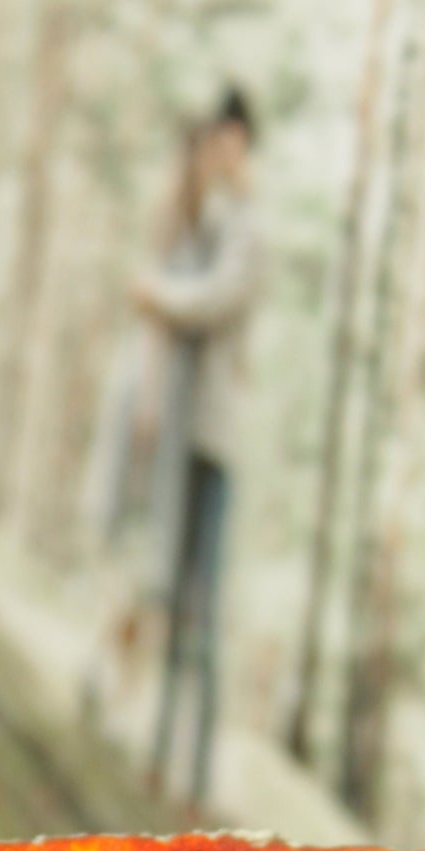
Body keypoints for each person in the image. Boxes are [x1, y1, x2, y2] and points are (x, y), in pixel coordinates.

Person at [134, 84, 261, 812]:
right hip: (189, 430)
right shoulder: (211, 218)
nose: (220, 151)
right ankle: (159, 754)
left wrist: (156, 294)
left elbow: (214, 299)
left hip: (215, 438)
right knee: (174, 595)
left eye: (229, 139)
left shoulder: (248, 228)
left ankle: (196, 773)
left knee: (203, 610)